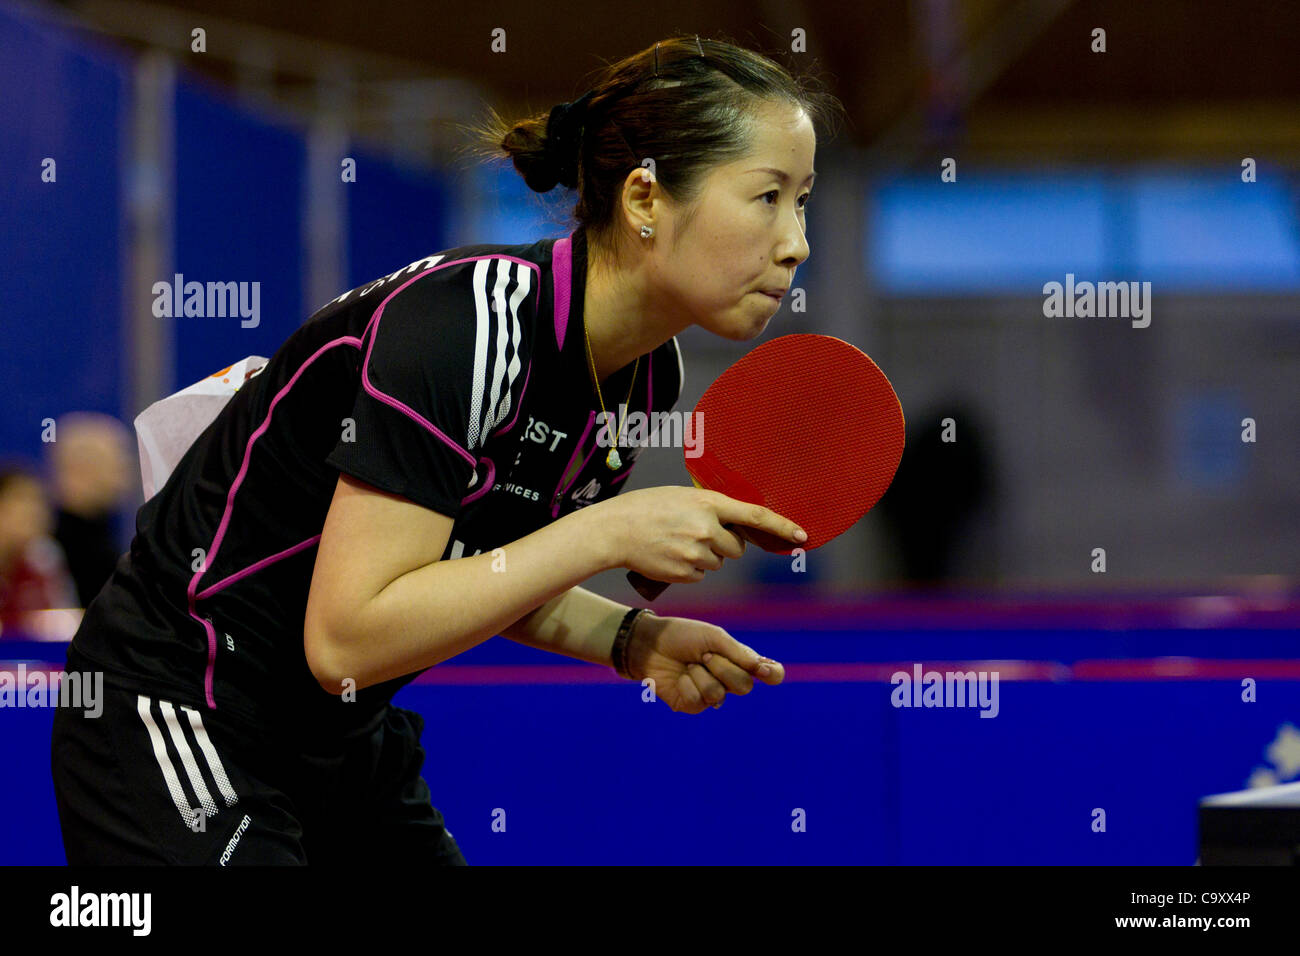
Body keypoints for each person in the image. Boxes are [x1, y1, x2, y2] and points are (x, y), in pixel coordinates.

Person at [51, 34, 843, 865]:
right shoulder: (468, 327)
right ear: (646, 197)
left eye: (804, 201)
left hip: (342, 736)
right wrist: (610, 534)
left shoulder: (646, 377)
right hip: (185, 703)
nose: (797, 242)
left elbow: (481, 568)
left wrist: (629, 639)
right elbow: (347, 639)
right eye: (769, 197)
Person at [46, 412, 135, 608]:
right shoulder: (49, 552)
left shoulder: (102, 540)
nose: (126, 469)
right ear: (80, 467)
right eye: (118, 458)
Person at [0, 463, 79, 634]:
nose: (34, 511)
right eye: (20, 499)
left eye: (39, 502)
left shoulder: (46, 556)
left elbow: (64, 623)